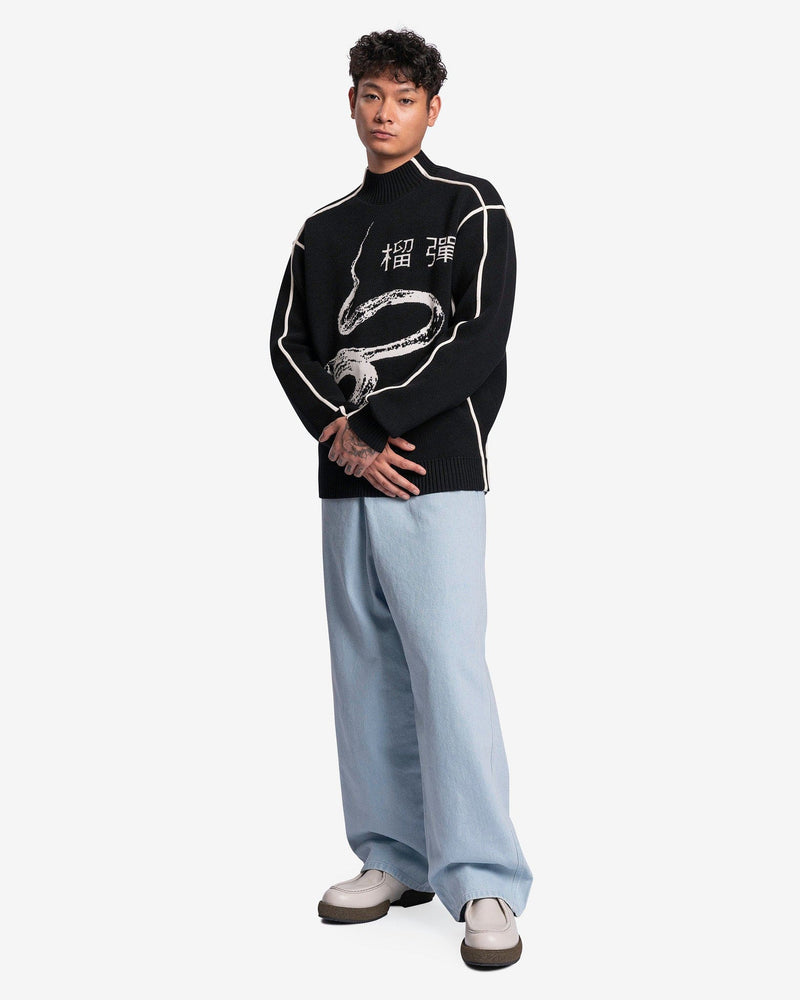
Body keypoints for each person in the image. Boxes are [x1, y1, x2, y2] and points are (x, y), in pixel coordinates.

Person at [269, 27, 533, 968]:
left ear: (432, 109)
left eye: (405, 99)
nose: (386, 113)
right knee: (365, 669)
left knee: (447, 669)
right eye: (372, 95)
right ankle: (392, 856)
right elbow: (288, 344)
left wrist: (377, 425)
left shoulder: (469, 205)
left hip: (434, 469)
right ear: (351, 102)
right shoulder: (322, 229)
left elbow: (479, 335)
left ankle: (485, 878)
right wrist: (340, 435)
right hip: (346, 477)